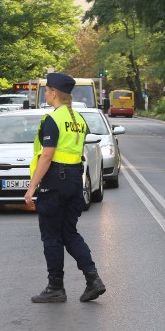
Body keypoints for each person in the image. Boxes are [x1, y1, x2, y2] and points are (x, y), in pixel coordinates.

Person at [24, 72, 106, 303]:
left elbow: (47, 156)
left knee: (51, 236)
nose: (46, 94)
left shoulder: (53, 120)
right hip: (73, 181)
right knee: (69, 233)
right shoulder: (79, 119)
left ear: (53, 93)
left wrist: (32, 187)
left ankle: (55, 287)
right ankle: (93, 279)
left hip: (54, 182)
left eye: (47, 90)